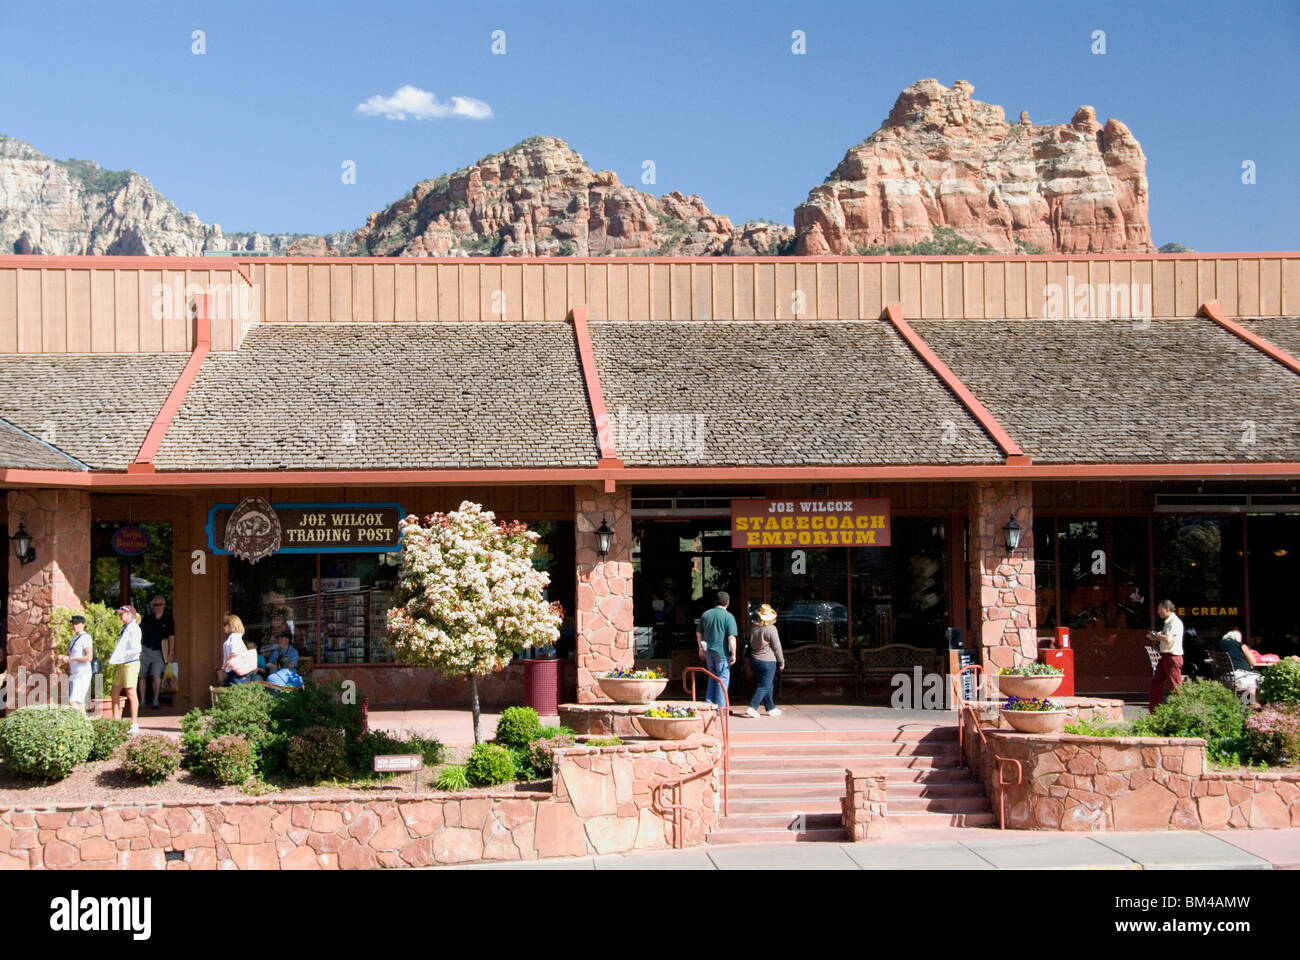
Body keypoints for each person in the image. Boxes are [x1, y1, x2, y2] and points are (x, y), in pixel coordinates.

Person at [696, 591, 738, 713]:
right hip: (722, 652)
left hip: (708, 650)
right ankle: (721, 708)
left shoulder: (706, 614)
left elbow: (699, 632)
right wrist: (734, 654)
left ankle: (709, 704)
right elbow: (731, 637)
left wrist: (700, 648)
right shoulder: (728, 616)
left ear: (716, 601)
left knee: (712, 677)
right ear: (728, 602)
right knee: (722, 680)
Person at [745, 603, 784, 718]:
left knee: (766, 684)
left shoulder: (753, 627)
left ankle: (770, 707)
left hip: (754, 660)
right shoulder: (771, 629)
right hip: (768, 661)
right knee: (764, 686)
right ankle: (752, 707)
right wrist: (781, 662)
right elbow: (777, 647)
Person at [108, 605, 142, 732]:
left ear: (129, 615)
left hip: (130, 663)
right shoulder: (125, 628)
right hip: (121, 663)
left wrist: (121, 656)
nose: (120, 616)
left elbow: (135, 649)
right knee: (114, 692)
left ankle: (134, 723)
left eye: (122, 614)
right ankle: (116, 721)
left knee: (131, 692)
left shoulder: (135, 629)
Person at [1148, 599, 1184, 712]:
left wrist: (1158, 635)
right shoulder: (1168, 622)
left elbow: (1168, 639)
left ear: (1167, 609)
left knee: (1176, 686)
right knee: (1156, 683)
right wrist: (1156, 637)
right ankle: (1154, 712)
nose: (1158, 612)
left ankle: (1183, 711)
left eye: (1159, 609)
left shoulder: (1174, 622)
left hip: (1172, 657)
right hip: (1165, 657)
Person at [139, 594, 174, 710]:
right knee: (142, 675)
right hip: (145, 649)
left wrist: (170, 653)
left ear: (164, 606)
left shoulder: (168, 619)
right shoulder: (147, 619)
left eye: (160, 604)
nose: (158, 607)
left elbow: (171, 637)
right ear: (152, 606)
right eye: (156, 604)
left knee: (156, 675)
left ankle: (155, 699)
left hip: (159, 651)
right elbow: (140, 634)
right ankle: (142, 700)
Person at [56, 614, 95, 712]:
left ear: (83, 625)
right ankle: (85, 725)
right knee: (80, 703)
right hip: (75, 672)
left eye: (77, 623)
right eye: (73, 623)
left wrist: (70, 659)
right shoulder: (75, 638)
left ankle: (81, 724)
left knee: (73, 701)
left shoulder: (86, 638)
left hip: (82, 673)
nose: (75, 626)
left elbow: (89, 657)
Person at [216, 614, 258, 686]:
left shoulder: (234, 637)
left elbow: (234, 653)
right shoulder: (234, 637)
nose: (223, 627)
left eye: (225, 624)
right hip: (234, 672)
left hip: (235, 672)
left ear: (231, 625)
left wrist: (224, 666)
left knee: (232, 693)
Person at [1218, 629, 1261, 697]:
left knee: (1250, 680)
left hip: (1224, 678)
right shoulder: (1241, 645)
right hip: (1239, 677)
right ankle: (1249, 704)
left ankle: (1241, 703)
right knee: (1259, 680)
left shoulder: (1219, 644)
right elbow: (1253, 662)